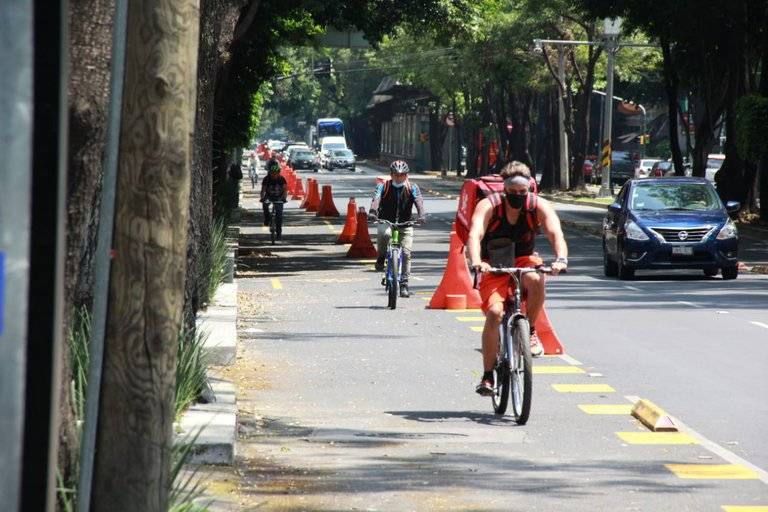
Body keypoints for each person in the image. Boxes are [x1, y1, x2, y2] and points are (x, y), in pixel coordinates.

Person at [467, 161, 568, 396]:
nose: (518, 197)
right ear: (504, 190)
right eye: (512, 193)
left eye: (522, 193)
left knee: (536, 279)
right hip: (492, 263)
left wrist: (560, 259)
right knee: (494, 313)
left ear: (529, 190)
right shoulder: (489, 205)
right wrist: (476, 262)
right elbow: (475, 233)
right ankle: (488, 375)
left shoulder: (538, 205)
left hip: (523, 258)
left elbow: (555, 233)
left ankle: (530, 330)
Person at [368, 160, 426, 298]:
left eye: (402, 175)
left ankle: (404, 284)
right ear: (391, 175)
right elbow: (376, 199)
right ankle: (381, 257)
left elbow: (419, 202)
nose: (399, 177)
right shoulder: (383, 186)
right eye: (396, 175)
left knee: (406, 253)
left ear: (406, 175)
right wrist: (372, 212)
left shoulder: (412, 187)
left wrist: (422, 215)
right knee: (385, 233)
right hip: (386, 221)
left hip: (405, 224)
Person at [260, 158, 288, 239]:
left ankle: (279, 233)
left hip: (279, 197)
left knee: (279, 215)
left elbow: (285, 190)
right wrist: (262, 198)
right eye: (272, 173)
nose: (274, 175)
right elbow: (263, 190)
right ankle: (267, 219)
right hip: (269, 196)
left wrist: (284, 198)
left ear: (279, 173)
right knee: (265, 205)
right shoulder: (266, 179)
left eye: (276, 174)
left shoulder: (282, 179)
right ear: (270, 173)